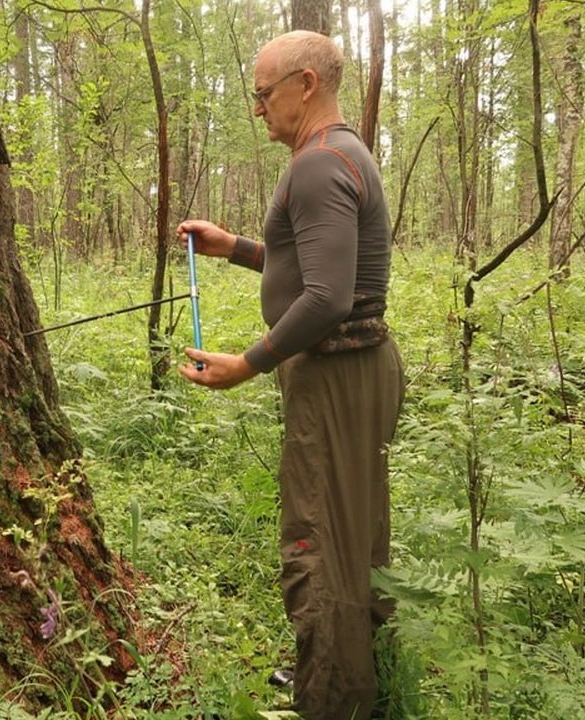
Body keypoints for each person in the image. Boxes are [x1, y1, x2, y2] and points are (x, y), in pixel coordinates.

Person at [176, 30, 404, 720]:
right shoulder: (341, 154)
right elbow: (315, 265)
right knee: (355, 533)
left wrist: (247, 364)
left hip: (336, 375)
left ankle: (332, 699)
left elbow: (328, 298)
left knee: (320, 541)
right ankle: (352, 671)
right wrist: (236, 246)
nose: (257, 108)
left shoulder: (317, 163)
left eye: (262, 92)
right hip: (359, 369)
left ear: (305, 85)